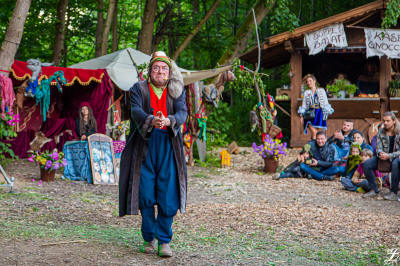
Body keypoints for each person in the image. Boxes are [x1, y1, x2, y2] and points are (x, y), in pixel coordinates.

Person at [118, 51, 187, 257]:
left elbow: (182, 113)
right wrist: (151, 119)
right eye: (156, 68)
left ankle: (164, 241)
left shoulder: (177, 91)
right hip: (144, 148)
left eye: (164, 68)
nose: (160, 71)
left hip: (168, 148)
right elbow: (135, 111)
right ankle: (149, 237)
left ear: (169, 72)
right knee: (146, 194)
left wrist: (169, 121)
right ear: (150, 71)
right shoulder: (138, 89)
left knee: (168, 195)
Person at [363, 112, 400, 200]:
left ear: (394, 121)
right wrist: (380, 154)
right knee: (367, 164)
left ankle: (393, 192)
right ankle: (374, 190)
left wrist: (389, 155)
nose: (385, 123)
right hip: (384, 156)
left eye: (388, 121)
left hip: (396, 157)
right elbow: (378, 147)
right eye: (384, 121)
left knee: (396, 163)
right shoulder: (381, 131)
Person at [298, 74, 334, 140]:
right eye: (307, 82)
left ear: (314, 81)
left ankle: (312, 146)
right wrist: (301, 116)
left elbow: (325, 103)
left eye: (310, 81)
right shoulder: (306, 92)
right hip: (309, 113)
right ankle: (313, 147)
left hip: (319, 113)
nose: (308, 83)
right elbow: (304, 105)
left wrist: (326, 112)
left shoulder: (321, 90)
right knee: (314, 132)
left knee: (315, 133)